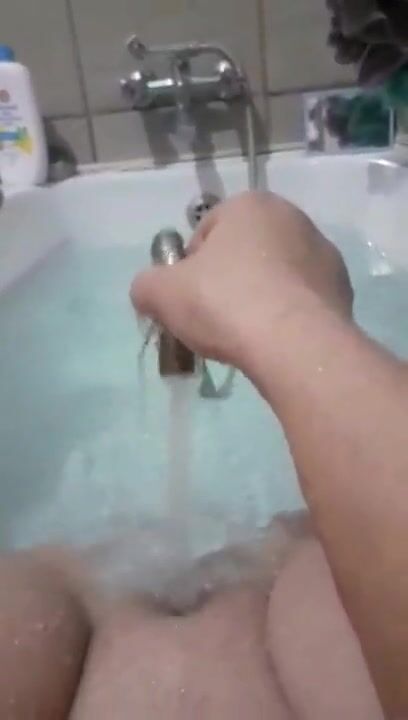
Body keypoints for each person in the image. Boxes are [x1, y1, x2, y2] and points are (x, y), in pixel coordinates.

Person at [0, 190, 405, 718]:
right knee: (310, 550)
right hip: (294, 579)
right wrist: (291, 314)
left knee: (42, 578)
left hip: (77, 590)